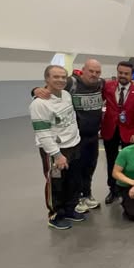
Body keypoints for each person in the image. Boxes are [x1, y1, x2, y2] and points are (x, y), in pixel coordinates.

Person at [33, 58, 104, 212]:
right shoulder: (71, 84)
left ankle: (86, 194)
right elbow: (48, 91)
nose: (94, 74)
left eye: (97, 72)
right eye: (91, 71)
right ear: (82, 70)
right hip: (74, 139)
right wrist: (35, 90)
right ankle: (68, 204)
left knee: (88, 168)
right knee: (69, 174)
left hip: (89, 137)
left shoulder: (100, 84)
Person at [30, 65, 84, 230]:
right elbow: (43, 134)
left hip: (74, 145)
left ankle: (69, 209)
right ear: (47, 79)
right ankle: (55, 215)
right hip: (56, 151)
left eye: (63, 77)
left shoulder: (66, 95)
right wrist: (57, 154)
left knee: (73, 181)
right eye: (56, 77)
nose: (60, 80)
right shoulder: (39, 104)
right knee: (56, 184)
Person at [100, 61, 134, 204]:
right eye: (120, 73)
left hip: (129, 132)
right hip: (110, 129)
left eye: (126, 74)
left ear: (132, 75)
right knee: (111, 161)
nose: (123, 76)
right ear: (117, 72)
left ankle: (126, 188)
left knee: (128, 163)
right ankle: (112, 189)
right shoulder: (107, 87)